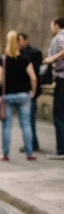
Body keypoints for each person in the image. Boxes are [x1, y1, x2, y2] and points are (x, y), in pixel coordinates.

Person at [0, 30, 37, 161]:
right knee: (26, 125)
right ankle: (29, 153)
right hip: (24, 96)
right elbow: (33, 78)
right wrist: (33, 92)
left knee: (7, 126)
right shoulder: (25, 59)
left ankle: (5, 154)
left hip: (7, 96)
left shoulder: (3, 59)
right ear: (18, 42)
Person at [17, 33, 42, 152]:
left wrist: (34, 90)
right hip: (23, 89)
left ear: (26, 40)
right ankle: (32, 142)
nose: (19, 43)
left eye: (20, 40)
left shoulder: (34, 53)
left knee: (28, 119)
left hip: (30, 89)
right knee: (26, 119)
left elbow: (35, 74)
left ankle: (32, 144)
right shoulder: (19, 53)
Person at [44, 17, 64, 160]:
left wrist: (52, 59)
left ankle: (61, 149)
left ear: (56, 25)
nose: (51, 28)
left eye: (52, 25)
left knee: (59, 114)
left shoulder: (60, 37)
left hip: (62, 79)